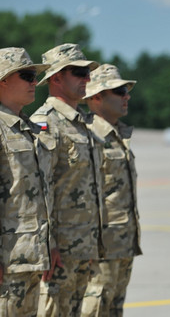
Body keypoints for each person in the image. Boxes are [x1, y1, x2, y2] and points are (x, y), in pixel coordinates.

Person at [31, 43, 104, 316]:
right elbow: (39, 189)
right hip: (59, 250)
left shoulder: (81, 123)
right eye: (78, 72)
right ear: (56, 78)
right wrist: (47, 244)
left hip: (83, 245)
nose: (87, 79)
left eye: (87, 72)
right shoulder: (45, 123)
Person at [81, 64, 142, 316]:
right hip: (99, 247)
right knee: (93, 309)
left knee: (114, 309)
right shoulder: (87, 136)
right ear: (96, 97)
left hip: (122, 242)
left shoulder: (117, 134)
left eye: (126, 90)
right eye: (119, 91)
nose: (126, 96)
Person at [0, 47, 52, 316]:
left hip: (30, 256)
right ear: (4, 80)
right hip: (7, 260)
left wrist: (48, 246)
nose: (34, 82)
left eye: (34, 77)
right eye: (26, 76)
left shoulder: (29, 128)